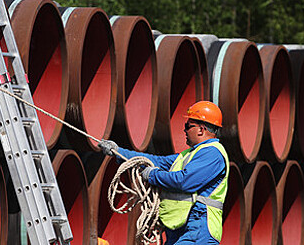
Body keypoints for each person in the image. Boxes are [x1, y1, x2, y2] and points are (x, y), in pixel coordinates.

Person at [98, 101, 229, 244]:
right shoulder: (190, 155)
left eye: (188, 126)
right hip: (181, 228)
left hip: (199, 228)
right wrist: (117, 151)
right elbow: (156, 161)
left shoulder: (213, 153)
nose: (185, 131)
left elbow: (184, 182)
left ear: (201, 130)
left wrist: (153, 175)